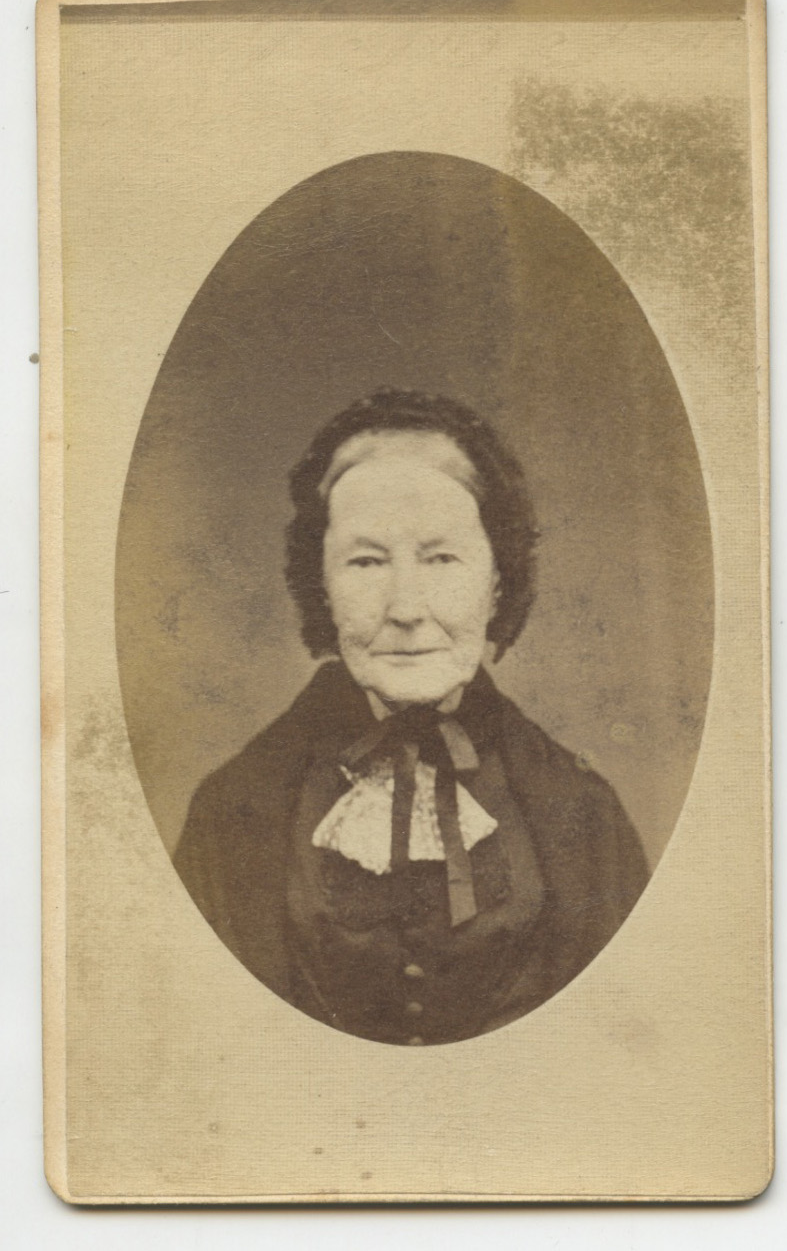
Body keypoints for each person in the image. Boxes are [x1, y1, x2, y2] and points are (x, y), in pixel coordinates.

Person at [174, 388, 648, 1045]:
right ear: (321, 584)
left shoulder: (584, 816)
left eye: (441, 558)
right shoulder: (232, 813)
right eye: (366, 561)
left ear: (497, 581)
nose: (405, 608)